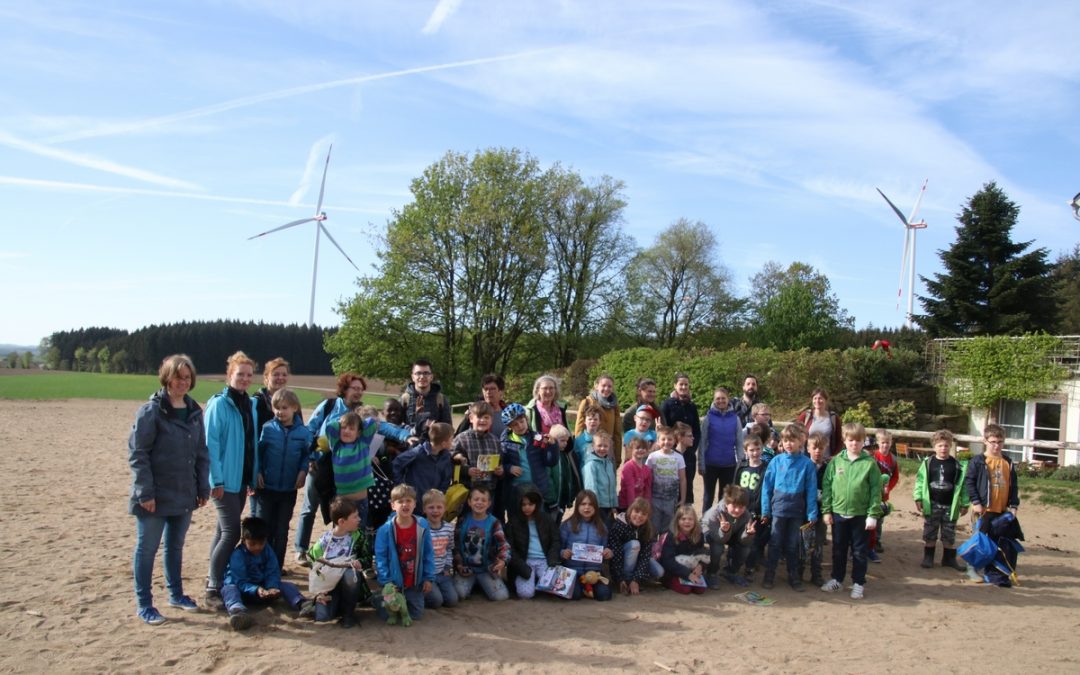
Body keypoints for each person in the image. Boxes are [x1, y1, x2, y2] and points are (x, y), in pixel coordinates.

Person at [128, 354, 210, 625]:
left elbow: (201, 453)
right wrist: (145, 493)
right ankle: (145, 604)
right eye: (178, 377)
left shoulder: (195, 411)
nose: (183, 382)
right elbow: (138, 454)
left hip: (184, 493)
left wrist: (202, 486)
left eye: (187, 377)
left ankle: (176, 594)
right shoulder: (151, 411)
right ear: (166, 377)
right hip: (155, 495)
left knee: (175, 547)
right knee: (147, 548)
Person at [204, 351, 259, 610]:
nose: (245, 379)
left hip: (240, 480)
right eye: (240, 374)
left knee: (221, 531)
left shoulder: (249, 404)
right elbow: (210, 444)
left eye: (249, 375)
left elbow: (250, 444)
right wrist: (216, 479)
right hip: (223, 480)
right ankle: (213, 586)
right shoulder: (219, 404)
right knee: (231, 532)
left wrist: (252, 474)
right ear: (229, 375)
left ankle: (217, 577)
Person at [294, 372, 367, 565]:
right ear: (345, 389)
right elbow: (311, 429)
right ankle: (301, 549)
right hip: (319, 464)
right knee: (310, 507)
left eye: (361, 389)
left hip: (344, 471)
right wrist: (310, 456)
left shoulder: (361, 413)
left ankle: (340, 551)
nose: (358, 392)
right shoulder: (329, 406)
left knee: (340, 510)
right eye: (354, 388)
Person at [820, 423, 882, 600]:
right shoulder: (836, 461)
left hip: (860, 514)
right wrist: (826, 510)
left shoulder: (869, 464)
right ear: (844, 440)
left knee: (859, 551)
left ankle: (858, 583)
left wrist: (873, 514)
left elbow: (875, 490)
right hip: (839, 513)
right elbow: (827, 485)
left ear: (864, 442)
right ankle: (837, 579)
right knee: (838, 549)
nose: (854, 444)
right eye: (850, 440)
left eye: (858, 440)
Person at [320, 411, 413, 530]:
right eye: (343, 428)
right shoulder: (336, 445)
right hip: (342, 501)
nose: (347, 431)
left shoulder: (363, 443)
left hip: (361, 501)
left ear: (359, 433)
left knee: (360, 533)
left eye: (351, 428)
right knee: (341, 531)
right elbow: (330, 427)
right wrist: (341, 421)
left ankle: (358, 549)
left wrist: (358, 421)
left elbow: (372, 424)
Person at [252, 388, 311, 571]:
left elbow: (306, 455)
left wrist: (303, 471)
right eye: (276, 408)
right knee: (263, 529)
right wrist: (258, 471)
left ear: (294, 408)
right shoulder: (268, 428)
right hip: (266, 488)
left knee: (281, 530)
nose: (280, 412)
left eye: (284, 408)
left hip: (288, 490)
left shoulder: (303, 432)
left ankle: (276, 567)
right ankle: (260, 565)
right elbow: (259, 454)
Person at [222, 516, 307, 631]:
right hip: (243, 591)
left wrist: (272, 587)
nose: (257, 547)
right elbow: (240, 581)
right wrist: (256, 589)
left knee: (287, 586)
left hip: (265, 591)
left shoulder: (268, 551)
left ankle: (302, 604)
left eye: (261, 543)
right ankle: (238, 613)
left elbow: (273, 572)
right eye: (252, 544)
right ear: (243, 540)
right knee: (229, 589)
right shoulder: (238, 555)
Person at [760, 424, 818, 591]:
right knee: (775, 543)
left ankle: (794, 577)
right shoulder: (776, 462)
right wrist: (765, 510)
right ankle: (769, 575)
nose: (789, 444)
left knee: (793, 545)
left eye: (792, 440)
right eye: (785, 440)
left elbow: (811, 490)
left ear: (801, 441)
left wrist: (812, 512)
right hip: (778, 509)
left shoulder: (807, 465)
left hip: (797, 511)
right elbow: (767, 488)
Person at [964, 423, 1021, 587]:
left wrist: (1014, 505)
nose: (996, 445)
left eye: (1000, 442)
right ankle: (971, 568)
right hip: (983, 509)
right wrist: (975, 502)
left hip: (1002, 510)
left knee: (998, 543)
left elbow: (1014, 486)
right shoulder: (978, 461)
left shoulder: (1008, 462)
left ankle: (994, 573)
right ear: (986, 441)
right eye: (993, 441)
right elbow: (970, 482)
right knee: (980, 541)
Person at [373, 484, 435, 622]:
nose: (405, 505)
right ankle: (377, 598)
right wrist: (386, 581)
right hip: (393, 583)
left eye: (408, 501)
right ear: (393, 505)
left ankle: (407, 599)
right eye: (400, 501)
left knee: (416, 615)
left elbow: (428, 553)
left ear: (414, 504)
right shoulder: (385, 530)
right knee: (386, 615)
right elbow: (380, 558)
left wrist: (428, 577)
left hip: (413, 582)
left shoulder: (422, 525)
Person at [306, 497, 370, 627]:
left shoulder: (359, 536)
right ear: (341, 521)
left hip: (350, 584)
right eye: (355, 517)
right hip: (328, 587)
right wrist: (320, 589)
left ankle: (348, 614)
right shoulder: (325, 540)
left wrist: (360, 563)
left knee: (350, 575)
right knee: (322, 617)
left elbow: (368, 559)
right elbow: (311, 559)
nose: (359, 519)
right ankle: (323, 604)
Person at [915, 429, 970, 571]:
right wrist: (918, 497)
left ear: (950, 446)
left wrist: (964, 503)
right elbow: (920, 482)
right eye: (940, 445)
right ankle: (928, 557)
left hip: (950, 505)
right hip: (932, 503)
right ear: (934, 447)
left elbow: (962, 486)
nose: (943, 449)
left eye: (946, 445)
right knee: (930, 531)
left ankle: (949, 559)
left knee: (949, 532)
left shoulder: (957, 465)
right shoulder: (928, 463)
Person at [499, 402, 558, 515]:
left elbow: (550, 462)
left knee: (538, 520)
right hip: (516, 491)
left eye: (522, 422)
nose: (520, 426)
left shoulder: (538, 438)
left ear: (526, 419)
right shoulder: (504, 443)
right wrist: (509, 468)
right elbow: (501, 465)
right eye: (515, 424)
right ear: (509, 427)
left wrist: (552, 446)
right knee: (517, 522)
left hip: (537, 489)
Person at [453, 487, 511, 601]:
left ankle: (482, 583)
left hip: (486, 569)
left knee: (501, 596)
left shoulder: (494, 522)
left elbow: (504, 545)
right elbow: (455, 545)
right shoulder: (463, 520)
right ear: (470, 502)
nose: (479, 502)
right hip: (466, 569)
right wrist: (459, 565)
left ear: (489, 503)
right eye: (476, 499)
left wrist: (503, 561)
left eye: (483, 500)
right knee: (458, 594)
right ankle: (472, 583)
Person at [505, 487, 561, 599]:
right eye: (523, 504)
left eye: (530, 504)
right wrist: (521, 566)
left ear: (537, 504)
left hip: (544, 560)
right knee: (525, 594)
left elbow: (556, 540)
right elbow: (510, 548)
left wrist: (552, 560)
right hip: (525, 561)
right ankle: (533, 580)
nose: (527, 508)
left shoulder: (546, 519)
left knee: (556, 589)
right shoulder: (513, 522)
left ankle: (538, 579)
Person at [559, 490, 613, 601]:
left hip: (594, 573)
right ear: (577, 506)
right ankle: (583, 589)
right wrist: (563, 553)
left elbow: (604, 550)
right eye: (583, 504)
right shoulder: (567, 525)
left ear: (596, 507)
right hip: (573, 572)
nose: (587, 508)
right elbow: (558, 547)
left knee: (605, 595)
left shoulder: (602, 527)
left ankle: (588, 588)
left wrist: (608, 553)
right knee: (574, 595)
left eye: (590, 504)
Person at [698, 387, 744, 512]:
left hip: (729, 465)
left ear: (728, 399)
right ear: (714, 400)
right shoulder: (708, 418)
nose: (720, 401)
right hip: (710, 464)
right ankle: (704, 525)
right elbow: (702, 442)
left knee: (724, 498)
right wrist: (701, 463)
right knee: (708, 496)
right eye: (717, 398)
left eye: (723, 398)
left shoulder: (735, 419)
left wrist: (740, 462)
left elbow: (740, 442)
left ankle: (722, 524)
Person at [701, 485, 755, 589]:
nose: (737, 510)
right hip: (712, 533)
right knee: (717, 548)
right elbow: (719, 539)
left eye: (741, 507)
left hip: (729, 532)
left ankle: (731, 572)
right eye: (734, 506)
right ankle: (711, 573)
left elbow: (743, 542)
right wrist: (724, 530)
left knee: (746, 548)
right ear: (727, 503)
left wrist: (748, 534)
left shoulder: (746, 515)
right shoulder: (715, 513)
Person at [660, 373, 701, 504]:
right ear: (675, 386)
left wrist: (691, 448)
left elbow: (697, 431)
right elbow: (664, 428)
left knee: (687, 482)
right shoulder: (667, 405)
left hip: (688, 453)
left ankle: (686, 507)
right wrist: (672, 448)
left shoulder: (692, 407)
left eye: (686, 384)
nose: (683, 387)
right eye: (681, 384)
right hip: (671, 451)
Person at [608, 498, 660, 595]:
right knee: (634, 544)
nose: (639, 516)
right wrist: (620, 579)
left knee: (659, 571)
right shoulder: (619, 526)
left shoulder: (647, 529)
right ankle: (627, 580)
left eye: (644, 514)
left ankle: (637, 579)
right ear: (630, 511)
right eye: (636, 511)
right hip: (622, 560)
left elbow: (645, 555)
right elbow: (616, 554)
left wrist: (636, 579)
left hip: (637, 559)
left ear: (648, 517)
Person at [392, 421, 453, 500]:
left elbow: (446, 478)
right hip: (415, 501)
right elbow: (397, 462)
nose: (453, 442)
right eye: (451, 439)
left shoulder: (446, 457)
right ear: (444, 443)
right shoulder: (418, 453)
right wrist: (401, 486)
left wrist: (440, 493)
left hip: (432, 502)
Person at [735, 435, 768, 580]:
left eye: (758, 449)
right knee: (738, 538)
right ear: (746, 451)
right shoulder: (741, 467)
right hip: (742, 509)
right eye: (751, 450)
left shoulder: (766, 468)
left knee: (754, 540)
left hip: (757, 510)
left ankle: (750, 567)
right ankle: (734, 564)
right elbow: (735, 486)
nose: (755, 453)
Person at [801, 432, 829, 587]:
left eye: (821, 448)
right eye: (815, 447)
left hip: (820, 512)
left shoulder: (828, 469)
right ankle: (798, 572)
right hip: (803, 512)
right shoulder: (804, 465)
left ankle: (816, 573)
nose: (818, 451)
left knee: (817, 544)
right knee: (802, 543)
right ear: (808, 448)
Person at [658, 504, 708, 595]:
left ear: (695, 521)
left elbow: (702, 554)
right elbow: (667, 561)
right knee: (686, 589)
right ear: (677, 521)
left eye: (690, 519)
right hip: (673, 571)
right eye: (683, 519)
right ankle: (668, 582)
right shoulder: (671, 536)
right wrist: (687, 574)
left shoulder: (699, 535)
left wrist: (700, 566)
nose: (687, 522)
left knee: (700, 590)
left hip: (691, 568)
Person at [575, 374, 622, 467]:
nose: (606, 388)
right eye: (603, 385)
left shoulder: (614, 406)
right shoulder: (587, 402)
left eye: (609, 386)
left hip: (608, 450)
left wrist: (617, 456)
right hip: (589, 452)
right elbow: (579, 430)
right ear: (596, 386)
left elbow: (617, 433)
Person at [421, 489, 458, 609]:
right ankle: (419, 596)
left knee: (452, 601)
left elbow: (449, 549)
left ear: (445, 508)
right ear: (424, 509)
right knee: (437, 601)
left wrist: (447, 567)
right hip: (427, 575)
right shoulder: (421, 529)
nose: (435, 511)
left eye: (439, 507)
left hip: (442, 573)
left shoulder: (448, 528)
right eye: (431, 507)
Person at [647, 426, 686, 534]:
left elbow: (683, 479)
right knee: (653, 525)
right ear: (658, 441)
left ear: (674, 441)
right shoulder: (652, 457)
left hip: (671, 499)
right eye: (663, 439)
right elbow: (647, 478)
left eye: (670, 439)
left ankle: (664, 548)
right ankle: (653, 548)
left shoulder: (679, 457)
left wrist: (682, 499)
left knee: (668, 527)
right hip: (655, 498)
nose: (666, 442)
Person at [869, 429, 899, 560]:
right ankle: (868, 541)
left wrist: (889, 487)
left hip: (883, 494)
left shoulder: (893, 459)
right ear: (878, 443)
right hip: (871, 492)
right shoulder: (873, 456)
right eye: (882, 442)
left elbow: (895, 477)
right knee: (870, 516)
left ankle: (877, 540)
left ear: (891, 443)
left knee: (880, 519)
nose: (885, 445)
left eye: (887, 443)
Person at [401, 358, 452, 431]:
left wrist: (434, 427)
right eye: (418, 373)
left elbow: (448, 429)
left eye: (426, 373)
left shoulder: (441, 400)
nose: (422, 377)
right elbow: (397, 427)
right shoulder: (405, 399)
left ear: (431, 377)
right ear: (413, 377)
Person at [545, 424, 580, 522]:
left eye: (566, 441)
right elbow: (548, 479)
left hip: (562, 500)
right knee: (550, 524)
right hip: (552, 502)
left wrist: (570, 497)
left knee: (557, 522)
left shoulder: (565, 455)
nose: (565, 443)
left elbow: (569, 477)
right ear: (554, 440)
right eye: (562, 441)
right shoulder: (550, 455)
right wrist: (551, 500)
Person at [582, 430, 618, 523]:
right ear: (593, 446)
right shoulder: (591, 465)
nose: (602, 448)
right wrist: (594, 505)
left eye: (605, 446)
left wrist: (614, 504)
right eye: (599, 445)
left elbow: (612, 485)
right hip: (598, 506)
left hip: (608, 506)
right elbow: (591, 487)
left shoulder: (609, 463)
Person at [795, 389, 843, 458]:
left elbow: (839, 440)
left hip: (827, 459)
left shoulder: (833, 418)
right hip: (807, 458)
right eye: (815, 398)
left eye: (820, 398)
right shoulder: (806, 416)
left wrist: (834, 456)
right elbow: (794, 434)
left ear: (826, 400)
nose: (817, 401)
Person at [253, 357, 292, 431]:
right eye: (276, 374)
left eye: (284, 375)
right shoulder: (257, 401)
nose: (280, 378)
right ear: (266, 377)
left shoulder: (292, 401)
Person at [618, 437, 653, 512]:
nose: (640, 450)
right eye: (637, 448)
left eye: (643, 448)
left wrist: (647, 505)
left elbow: (647, 490)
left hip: (640, 505)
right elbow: (629, 489)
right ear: (631, 450)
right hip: (626, 505)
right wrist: (632, 508)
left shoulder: (647, 469)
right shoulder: (628, 467)